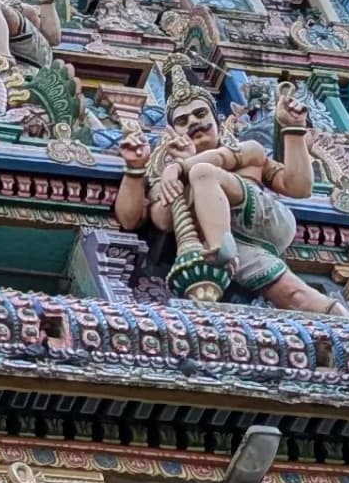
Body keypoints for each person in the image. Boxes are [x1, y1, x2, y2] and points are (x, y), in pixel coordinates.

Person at [113, 75, 336, 309]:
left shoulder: (247, 151)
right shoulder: (166, 175)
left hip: (260, 220)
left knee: (202, 172)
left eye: (200, 114)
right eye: (182, 120)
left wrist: (293, 129)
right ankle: (345, 323)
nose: (193, 122)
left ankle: (221, 248)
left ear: (217, 120)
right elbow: (134, 220)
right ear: (172, 131)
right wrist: (135, 169)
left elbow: (298, 188)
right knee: (296, 296)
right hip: (234, 246)